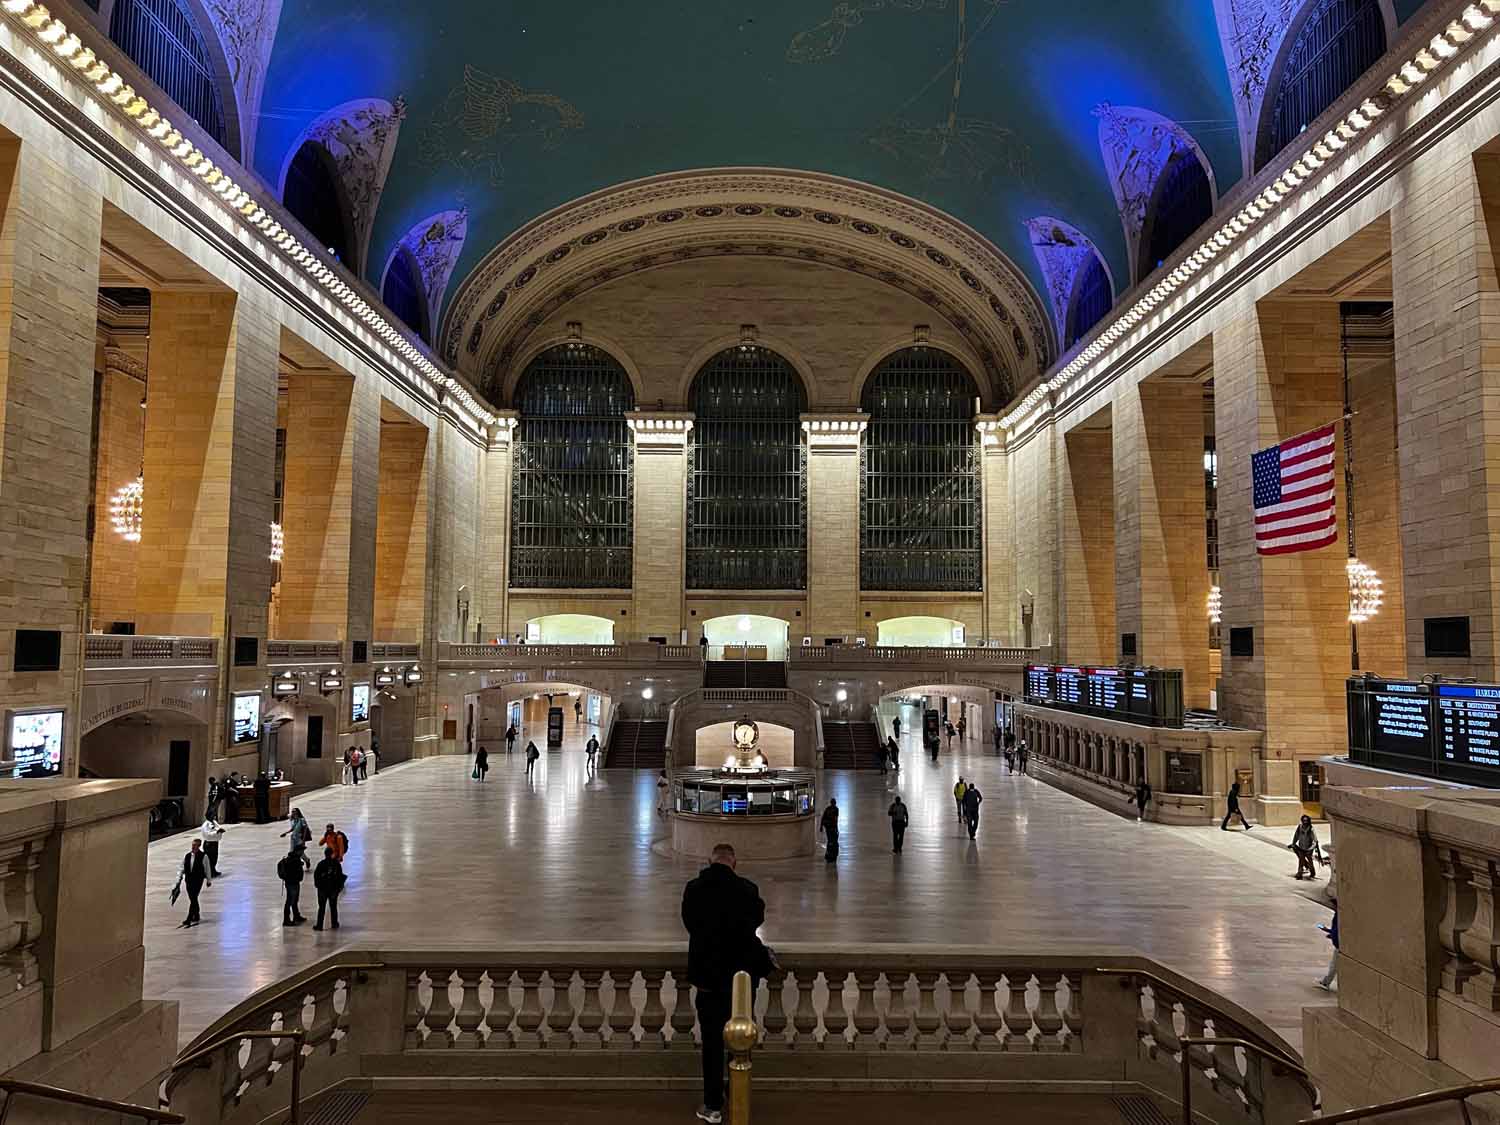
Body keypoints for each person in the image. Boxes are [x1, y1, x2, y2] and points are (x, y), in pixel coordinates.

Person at [680, 843, 772, 1125]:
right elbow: (756, 920)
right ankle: (738, 1094)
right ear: (734, 863)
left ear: (710, 861)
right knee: (741, 1038)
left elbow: (689, 923)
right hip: (740, 981)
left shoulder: (694, 889)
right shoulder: (748, 889)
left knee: (711, 1043)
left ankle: (712, 1105)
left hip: (708, 980)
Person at [178, 838, 210, 927]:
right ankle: (196, 914)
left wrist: (208, 880)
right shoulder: (187, 856)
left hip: (198, 880)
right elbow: (182, 867)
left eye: (195, 845)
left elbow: (207, 868)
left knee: (194, 897)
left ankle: (189, 918)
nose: (193, 846)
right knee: (193, 898)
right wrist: (179, 878)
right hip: (188, 880)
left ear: (199, 846)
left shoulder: (204, 856)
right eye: (192, 845)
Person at [313, 846, 346, 931]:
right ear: (332, 854)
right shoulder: (336, 864)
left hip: (322, 890)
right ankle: (334, 923)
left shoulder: (321, 864)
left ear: (325, 854)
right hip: (333, 890)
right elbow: (340, 877)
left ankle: (319, 925)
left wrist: (318, 886)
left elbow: (316, 876)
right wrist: (338, 888)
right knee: (333, 907)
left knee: (321, 908)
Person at [277, 847, 306, 926]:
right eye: (301, 851)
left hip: (294, 883)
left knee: (294, 900)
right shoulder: (293, 860)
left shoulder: (293, 858)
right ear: (297, 851)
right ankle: (286, 920)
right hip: (292, 883)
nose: (302, 853)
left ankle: (296, 916)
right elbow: (294, 871)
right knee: (289, 901)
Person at [1290, 814, 1324, 879]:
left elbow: (1315, 841)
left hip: (1309, 848)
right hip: (1301, 847)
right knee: (1301, 861)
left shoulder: (1311, 829)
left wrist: (1311, 849)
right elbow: (1296, 836)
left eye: (1306, 821)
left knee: (1310, 861)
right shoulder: (1300, 827)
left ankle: (1312, 872)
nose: (1305, 822)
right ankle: (1299, 874)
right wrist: (1293, 843)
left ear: (1308, 821)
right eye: (1304, 820)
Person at [1316, 909, 1339, 990]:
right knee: (1334, 965)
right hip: (1339, 945)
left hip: (1340, 946)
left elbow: (1338, 930)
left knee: (1334, 966)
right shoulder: (1338, 914)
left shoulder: (1339, 915)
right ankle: (1326, 982)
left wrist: (1332, 934)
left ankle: (1326, 983)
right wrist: (1330, 933)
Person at [819, 798, 840, 863]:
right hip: (832, 828)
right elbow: (835, 820)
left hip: (828, 828)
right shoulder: (836, 809)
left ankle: (829, 856)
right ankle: (832, 856)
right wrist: (836, 829)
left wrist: (821, 826)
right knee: (833, 842)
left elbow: (823, 818)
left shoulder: (827, 809)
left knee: (830, 841)